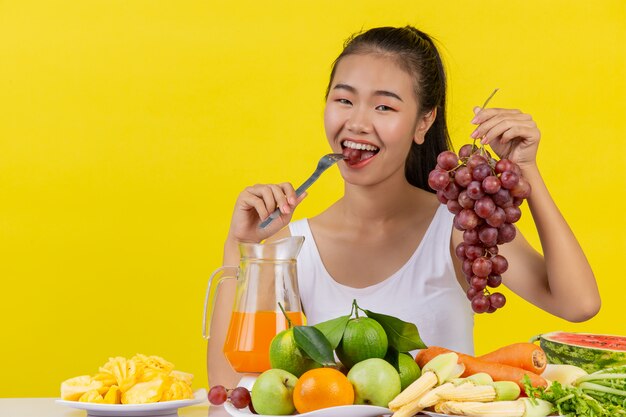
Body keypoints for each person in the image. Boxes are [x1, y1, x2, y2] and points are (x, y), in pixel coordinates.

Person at [208, 26, 600, 387]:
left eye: (384, 107)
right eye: (344, 100)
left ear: (422, 123)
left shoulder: (457, 228)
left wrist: (527, 171)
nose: (358, 123)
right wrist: (239, 247)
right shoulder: (289, 249)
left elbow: (578, 304)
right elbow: (226, 394)